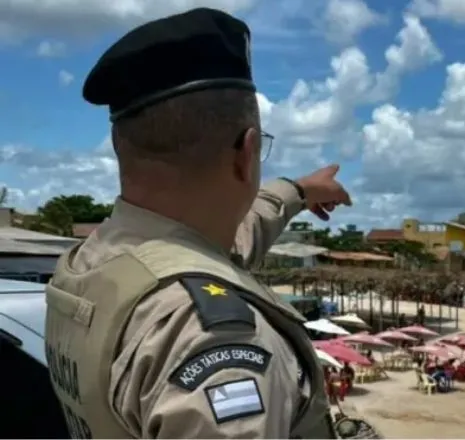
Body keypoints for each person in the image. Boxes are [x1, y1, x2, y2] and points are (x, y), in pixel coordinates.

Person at [43, 8, 353, 439]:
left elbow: (210, 252)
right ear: (247, 154)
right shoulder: (212, 340)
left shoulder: (91, 263)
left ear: (118, 145)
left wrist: (296, 192)